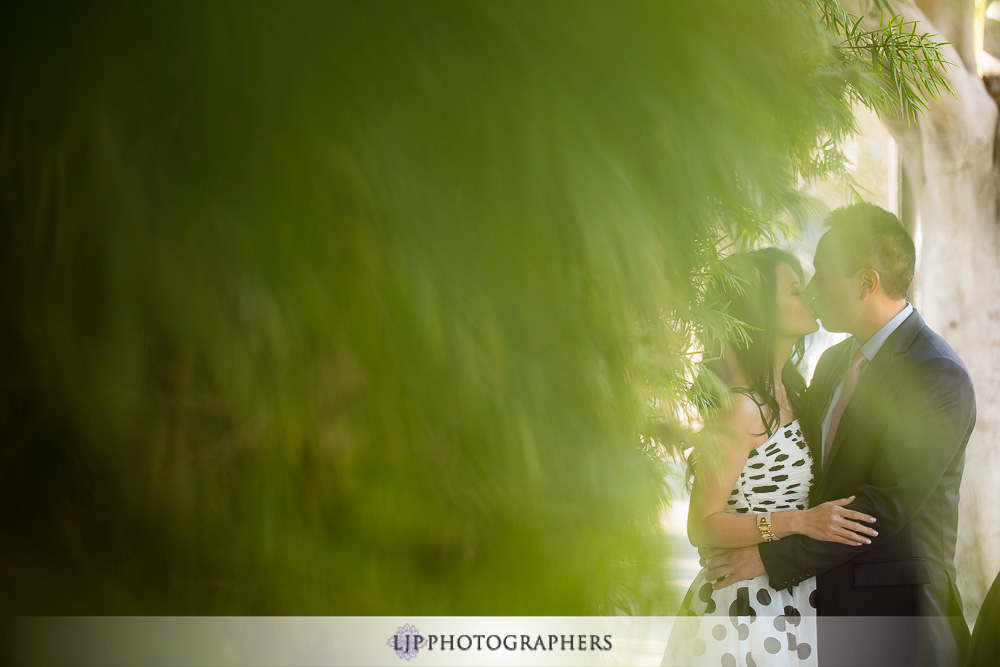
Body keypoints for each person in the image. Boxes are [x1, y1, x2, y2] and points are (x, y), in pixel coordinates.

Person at [704, 203, 976, 666]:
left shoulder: (937, 376)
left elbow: (879, 509)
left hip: (894, 622)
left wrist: (768, 560)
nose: (811, 290)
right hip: (808, 613)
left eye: (821, 274)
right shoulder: (832, 365)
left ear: (866, 282)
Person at [662, 248, 878, 667]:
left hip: (790, 598)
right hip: (743, 608)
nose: (810, 297)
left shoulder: (794, 394)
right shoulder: (741, 407)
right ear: (762, 310)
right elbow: (700, 524)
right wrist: (799, 522)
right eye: (796, 290)